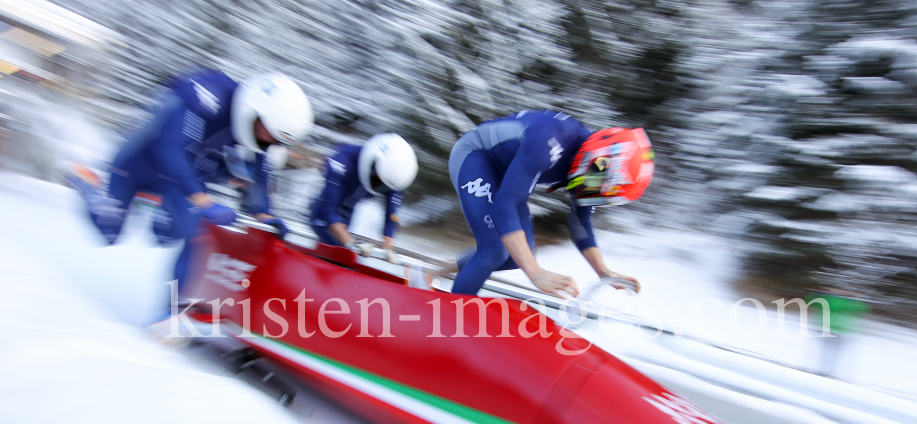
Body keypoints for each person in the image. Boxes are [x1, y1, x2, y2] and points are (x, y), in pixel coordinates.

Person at [65, 68, 313, 304]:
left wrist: (265, 216)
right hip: (140, 164)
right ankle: (90, 181)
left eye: (276, 139)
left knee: (184, 234)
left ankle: (173, 310)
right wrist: (203, 200)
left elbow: (261, 179)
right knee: (107, 230)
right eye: (269, 132)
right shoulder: (209, 94)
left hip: (179, 184)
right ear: (254, 109)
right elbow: (168, 147)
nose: (268, 141)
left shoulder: (260, 137)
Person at [444, 110, 654, 297]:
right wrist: (535, 272)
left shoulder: (594, 165)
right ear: (598, 160)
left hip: (506, 175)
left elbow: (579, 221)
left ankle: (432, 272)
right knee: (495, 250)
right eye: (598, 186)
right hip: (475, 155)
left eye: (602, 194)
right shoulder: (552, 140)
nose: (593, 193)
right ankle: (448, 323)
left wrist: (603, 272)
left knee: (515, 257)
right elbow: (504, 207)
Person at [309, 133, 418, 262]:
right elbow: (328, 210)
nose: (379, 186)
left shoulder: (394, 179)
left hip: (347, 213)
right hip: (326, 208)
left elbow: (391, 217)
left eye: (384, 186)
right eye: (377, 180)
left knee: (347, 254)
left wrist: (388, 250)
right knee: (338, 245)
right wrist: (351, 243)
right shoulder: (344, 159)